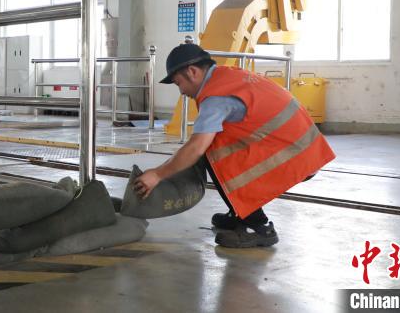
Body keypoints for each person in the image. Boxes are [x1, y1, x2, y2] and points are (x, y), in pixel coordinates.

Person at [133, 43, 335, 248]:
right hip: (306, 149)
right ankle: (240, 213)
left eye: (178, 84)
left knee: (212, 154)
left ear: (192, 72)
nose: (182, 92)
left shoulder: (216, 97)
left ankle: (256, 225)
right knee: (214, 144)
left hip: (294, 155)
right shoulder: (227, 76)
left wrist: (157, 174)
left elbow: (196, 147)